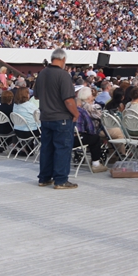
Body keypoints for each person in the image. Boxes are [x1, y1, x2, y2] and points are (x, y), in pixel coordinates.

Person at [34, 49, 80, 189]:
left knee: (47, 149)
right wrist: (76, 113)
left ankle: (44, 178)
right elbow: (68, 100)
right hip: (61, 117)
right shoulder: (63, 75)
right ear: (63, 59)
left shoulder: (42, 74)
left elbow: (36, 96)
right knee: (62, 149)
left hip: (46, 116)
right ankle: (61, 180)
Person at [72, 88, 107, 173]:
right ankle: (96, 164)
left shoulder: (65, 111)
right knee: (95, 138)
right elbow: (90, 129)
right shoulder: (83, 111)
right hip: (77, 138)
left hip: (64, 138)